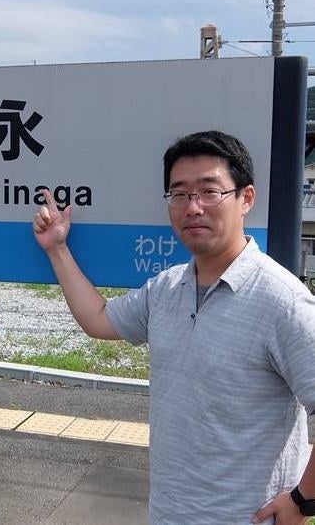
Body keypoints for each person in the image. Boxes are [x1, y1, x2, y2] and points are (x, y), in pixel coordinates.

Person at [33, 130, 315, 525]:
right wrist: (57, 248)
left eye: (209, 191)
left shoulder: (282, 300)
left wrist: (303, 500)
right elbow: (98, 318)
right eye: (179, 194)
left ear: (246, 198)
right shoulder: (166, 289)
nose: (192, 207)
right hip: (168, 514)